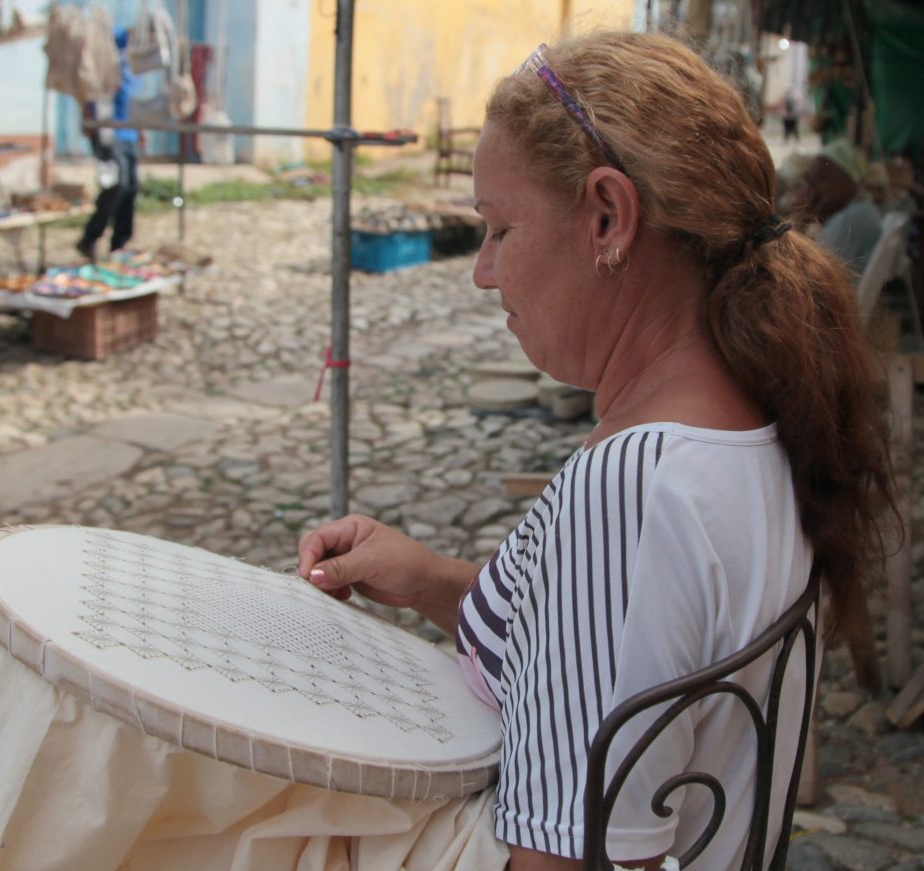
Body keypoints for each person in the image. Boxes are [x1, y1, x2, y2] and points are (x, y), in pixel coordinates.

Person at [297, 31, 894, 871]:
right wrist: (435, 580)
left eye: (500, 229)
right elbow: (624, 646)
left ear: (608, 217)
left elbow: (573, 857)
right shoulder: (746, 420)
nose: (484, 271)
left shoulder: (632, 491)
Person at [76, 26, 141, 262]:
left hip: (129, 134)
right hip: (107, 134)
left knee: (131, 187)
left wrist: (141, 130)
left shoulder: (133, 68)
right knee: (117, 184)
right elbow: (85, 90)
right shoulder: (103, 63)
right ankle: (90, 237)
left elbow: (134, 104)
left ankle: (119, 245)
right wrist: (87, 118)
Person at [798, 137, 883, 277]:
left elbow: (815, 278)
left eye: (820, 179)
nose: (813, 192)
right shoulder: (860, 208)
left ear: (850, 181)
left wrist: (802, 220)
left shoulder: (852, 219)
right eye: (810, 183)